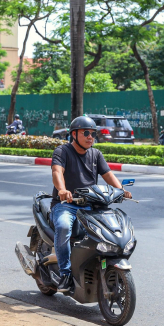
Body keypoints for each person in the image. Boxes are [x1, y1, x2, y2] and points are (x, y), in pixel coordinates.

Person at [51, 116, 132, 292]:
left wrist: (121, 190)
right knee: (64, 227)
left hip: (90, 206)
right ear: (74, 135)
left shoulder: (96, 154)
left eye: (92, 134)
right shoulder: (62, 151)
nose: (90, 137)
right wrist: (62, 190)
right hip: (66, 205)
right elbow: (57, 171)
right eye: (85, 133)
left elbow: (108, 174)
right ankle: (64, 274)